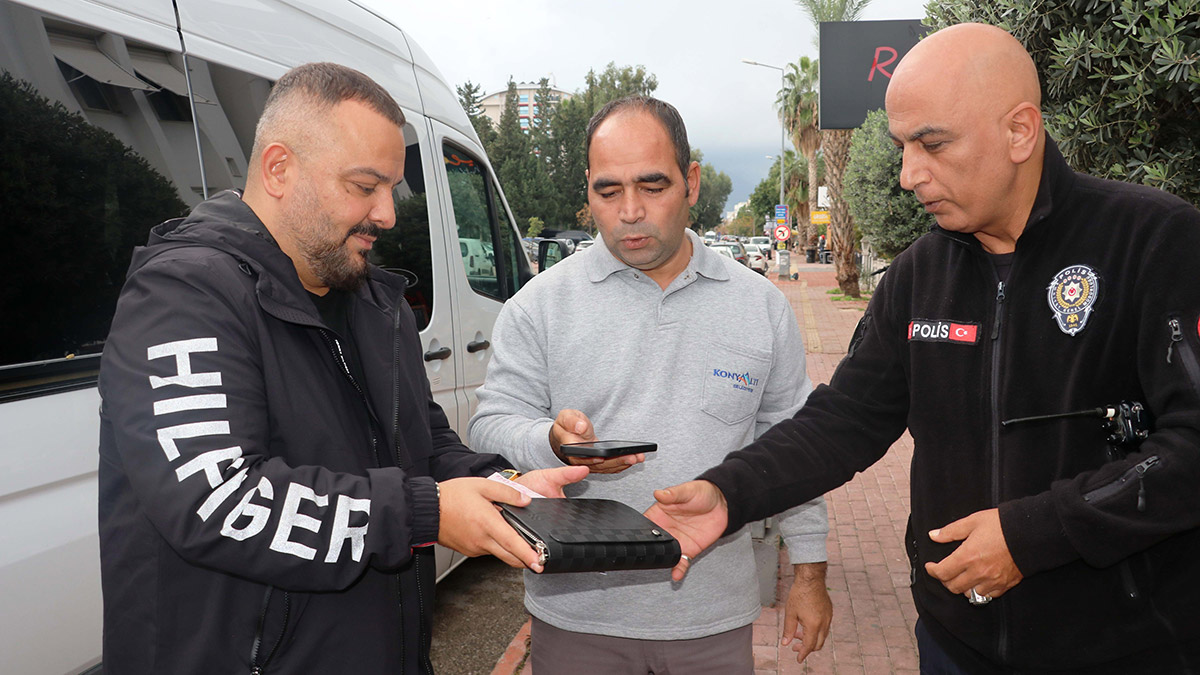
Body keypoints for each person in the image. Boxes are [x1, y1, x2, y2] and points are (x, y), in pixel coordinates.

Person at [649, 23, 1200, 674]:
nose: (909, 175)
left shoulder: (1154, 241)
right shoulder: (918, 274)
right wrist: (730, 490)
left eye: (932, 144)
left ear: (1020, 132)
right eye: (902, 147)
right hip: (953, 644)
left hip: (1124, 649)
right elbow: (845, 420)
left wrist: (1033, 534)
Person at [97, 62, 585, 675]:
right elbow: (219, 502)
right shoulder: (182, 296)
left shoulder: (376, 302)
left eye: (392, 189)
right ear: (279, 169)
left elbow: (424, 445)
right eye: (364, 186)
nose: (387, 214)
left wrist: (507, 487)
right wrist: (427, 512)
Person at [467, 96, 833, 674]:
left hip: (711, 620)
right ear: (588, 192)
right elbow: (489, 424)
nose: (630, 211)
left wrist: (810, 573)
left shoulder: (759, 306)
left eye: (652, 186)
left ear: (691, 183)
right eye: (608, 191)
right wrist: (551, 443)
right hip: (576, 617)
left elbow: (794, 446)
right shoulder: (537, 305)